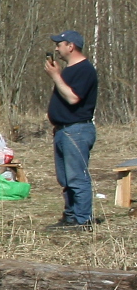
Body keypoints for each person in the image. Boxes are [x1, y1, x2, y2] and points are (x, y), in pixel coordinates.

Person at [46, 29, 99, 229]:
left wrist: (55, 76)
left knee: (77, 177)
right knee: (66, 179)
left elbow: (73, 98)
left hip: (76, 131)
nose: (56, 49)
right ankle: (70, 216)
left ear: (71, 46)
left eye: (59, 44)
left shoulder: (85, 70)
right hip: (63, 131)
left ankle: (82, 220)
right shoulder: (69, 70)